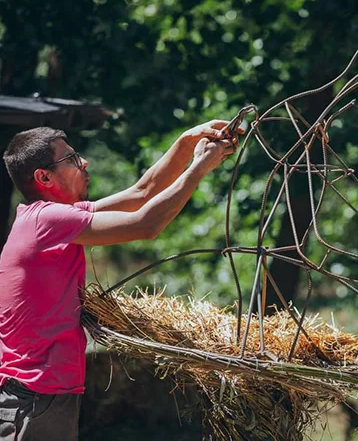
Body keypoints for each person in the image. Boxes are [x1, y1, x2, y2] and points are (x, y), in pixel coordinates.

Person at [0, 121, 240, 440]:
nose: (84, 163)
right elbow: (146, 224)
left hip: (41, 395)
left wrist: (186, 141)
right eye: (71, 159)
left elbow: (142, 193)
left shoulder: (48, 218)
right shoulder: (46, 220)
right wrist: (199, 167)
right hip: (35, 399)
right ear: (44, 177)